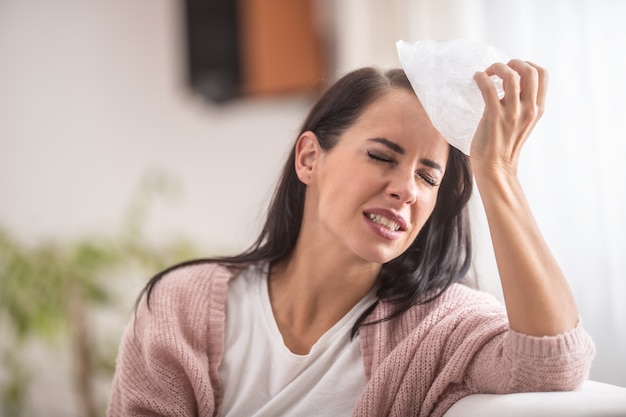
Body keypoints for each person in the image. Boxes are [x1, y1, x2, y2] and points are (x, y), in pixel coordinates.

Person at [107, 61, 595, 417]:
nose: (406, 188)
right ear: (309, 159)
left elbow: (551, 366)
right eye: (383, 156)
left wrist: (499, 172)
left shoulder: (438, 327)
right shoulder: (180, 306)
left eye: (428, 178)